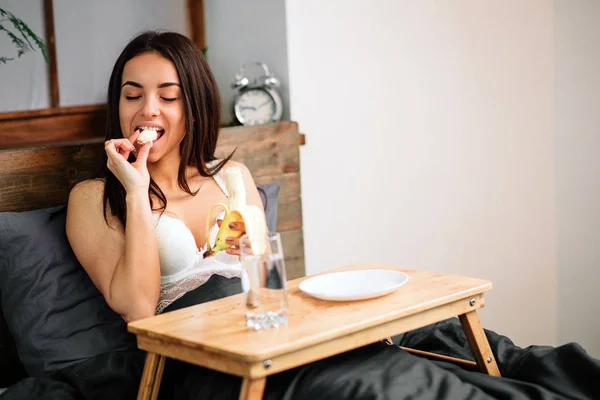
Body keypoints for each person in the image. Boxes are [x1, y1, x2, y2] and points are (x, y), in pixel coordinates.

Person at [6, 31, 597, 400]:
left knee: (481, 355)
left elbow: (261, 276)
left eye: (168, 93)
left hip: (272, 328)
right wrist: (136, 191)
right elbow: (136, 308)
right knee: (377, 387)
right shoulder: (98, 197)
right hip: (199, 358)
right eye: (132, 93)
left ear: (195, 102)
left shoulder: (230, 179)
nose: (146, 108)